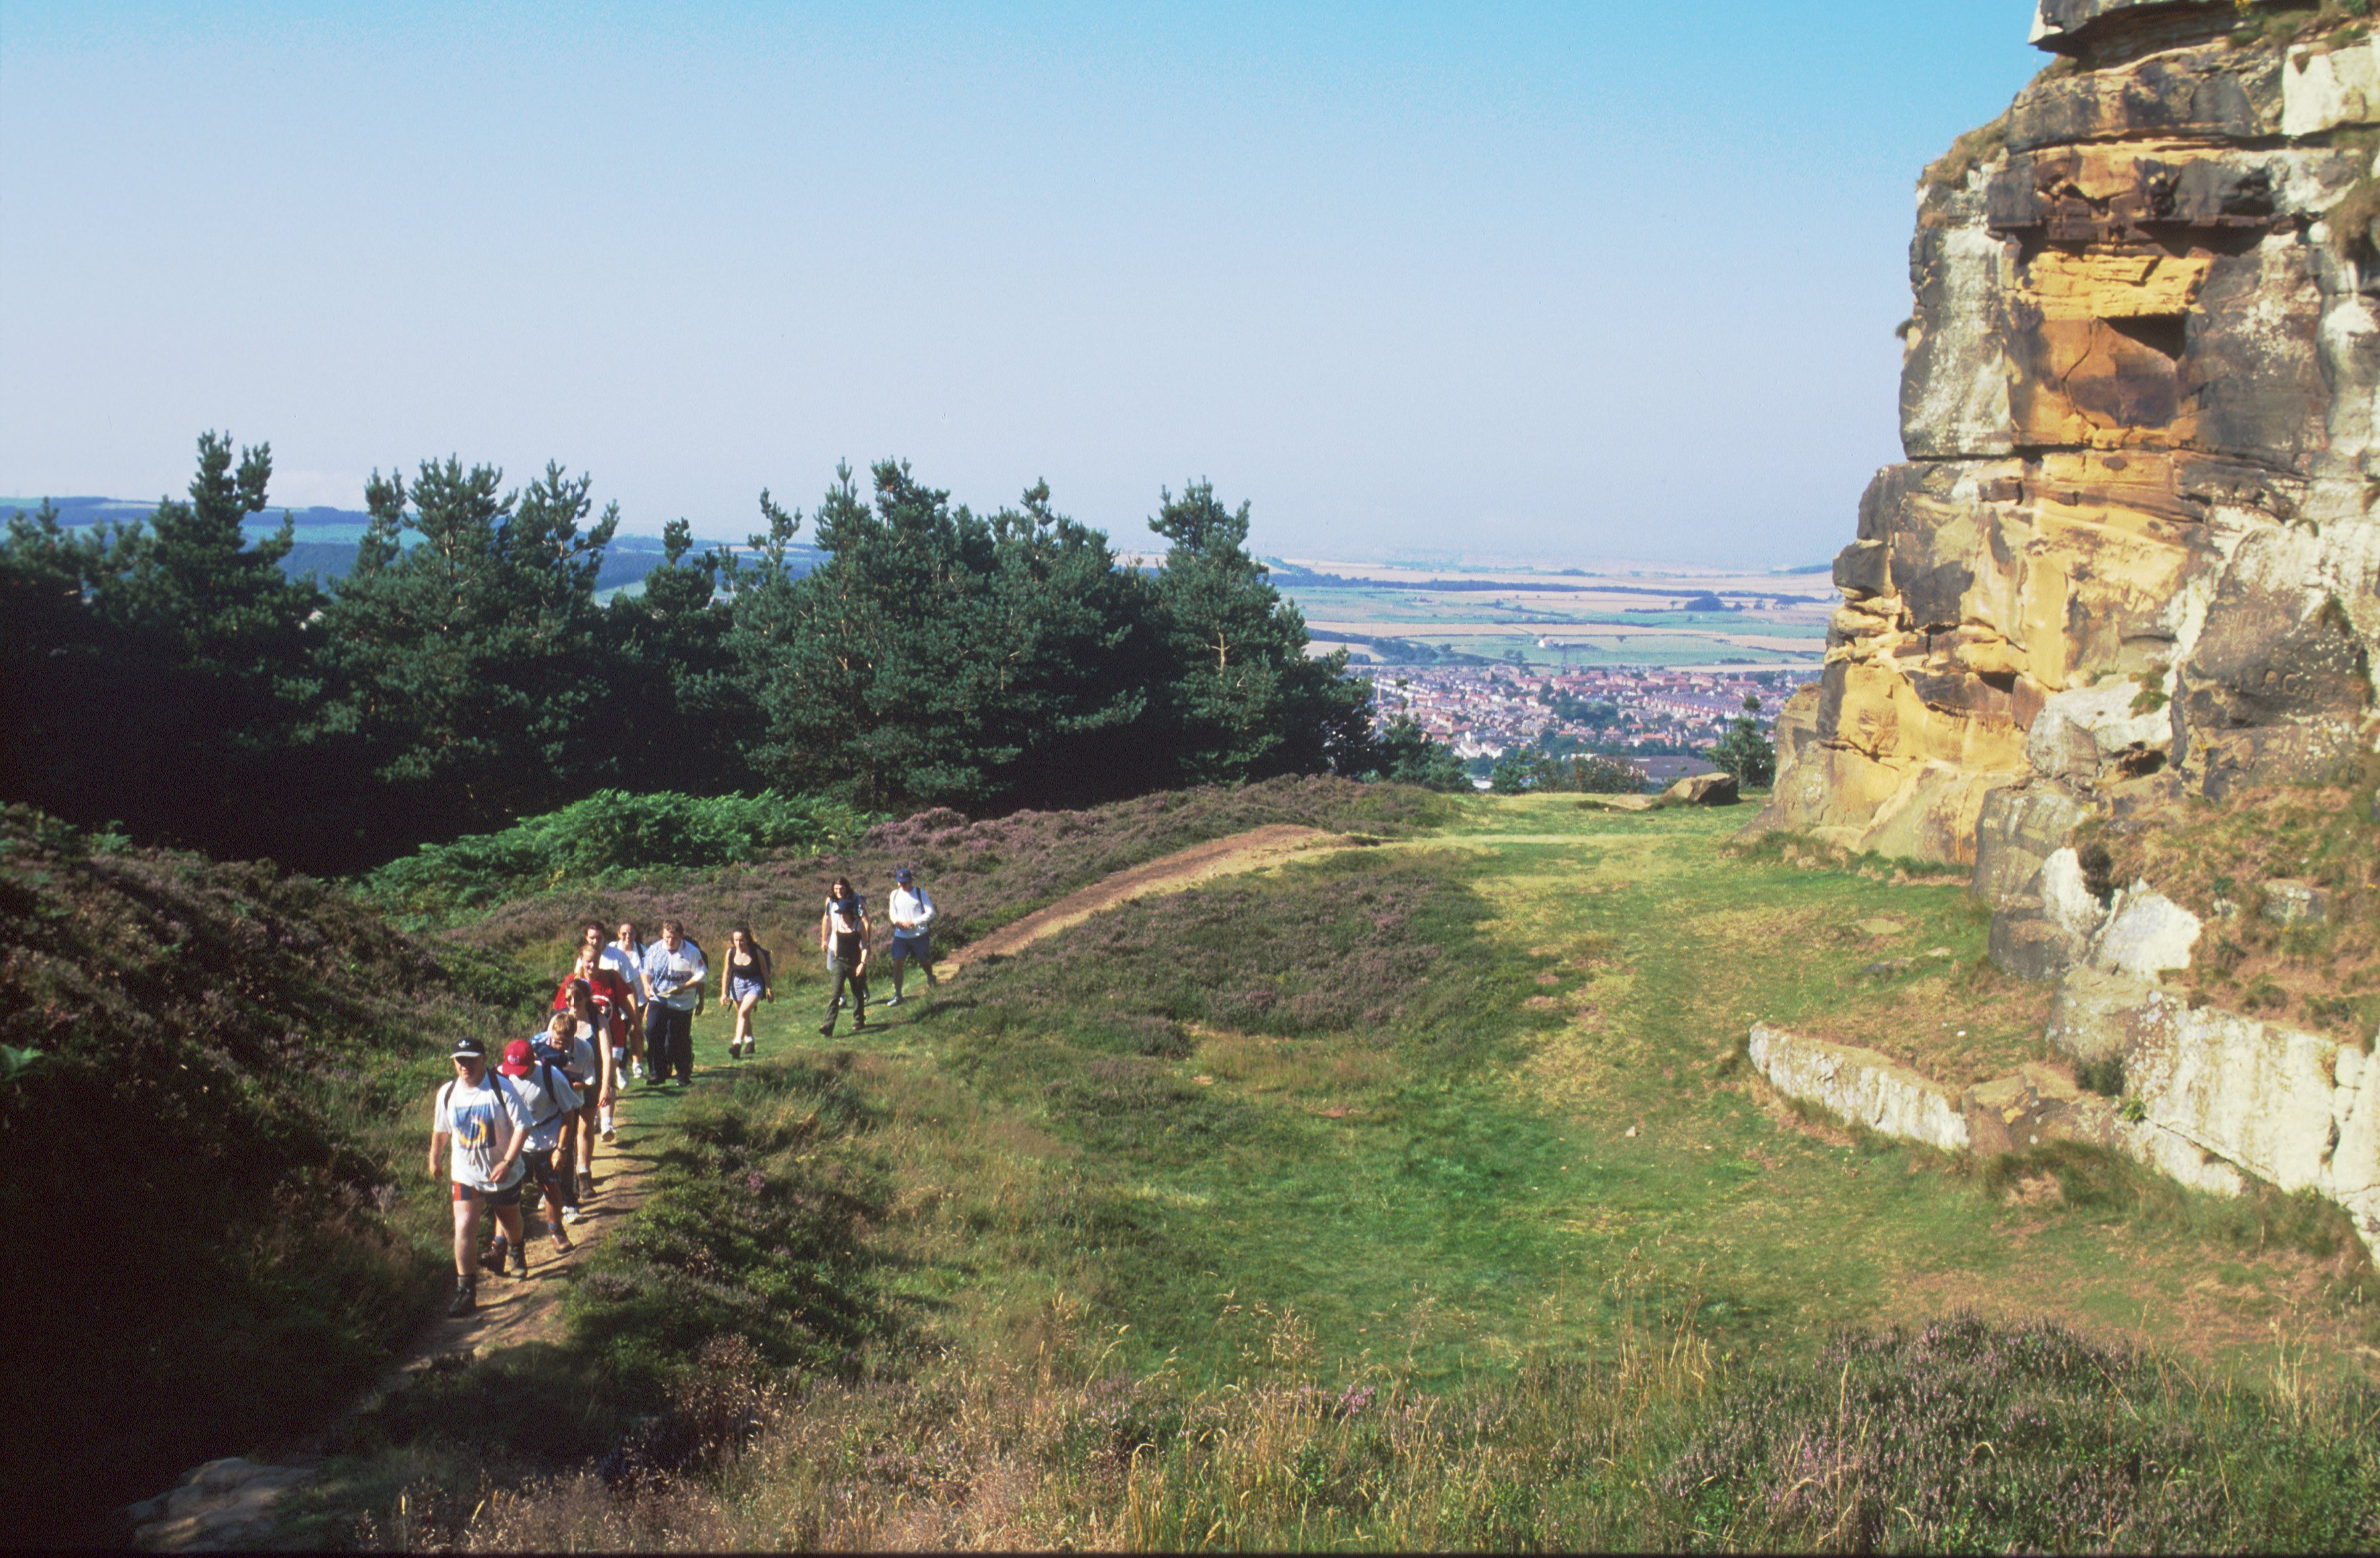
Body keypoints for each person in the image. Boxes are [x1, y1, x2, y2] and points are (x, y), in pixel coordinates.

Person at [428, 1034, 535, 1317]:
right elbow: (441, 1130)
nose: (465, 1066)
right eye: (459, 1061)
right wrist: (434, 1157)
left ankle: (516, 1248)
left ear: (484, 1060)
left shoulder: (502, 1088)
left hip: (503, 1172)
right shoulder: (448, 1093)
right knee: (464, 1226)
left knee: (510, 1220)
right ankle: (466, 1292)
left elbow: (523, 1126)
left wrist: (509, 1162)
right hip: (466, 1173)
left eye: (471, 1061)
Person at [498, 1037, 581, 1254]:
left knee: (550, 1185)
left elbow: (568, 1115)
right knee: (508, 1190)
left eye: (522, 1068)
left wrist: (562, 1149)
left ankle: (556, 1231)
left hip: (548, 1139)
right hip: (520, 1141)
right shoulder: (504, 1075)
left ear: (532, 1061)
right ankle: (499, 1243)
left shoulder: (551, 1077)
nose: (517, 1073)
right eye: (513, 1068)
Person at [555, 935, 630, 1144]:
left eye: (595, 961)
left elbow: (625, 998)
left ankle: (605, 1122)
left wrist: (635, 1024)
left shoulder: (610, 977)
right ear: (581, 960)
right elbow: (559, 1013)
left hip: (603, 1034)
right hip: (573, 1051)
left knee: (605, 1075)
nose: (591, 965)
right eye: (588, 961)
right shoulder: (570, 982)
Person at [639, 918, 707, 1085]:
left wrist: (684, 987)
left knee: (678, 1038)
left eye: (674, 938)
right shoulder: (655, 949)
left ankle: (683, 1074)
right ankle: (657, 1073)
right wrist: (647, 986)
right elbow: (645, 970)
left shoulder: (691, 952)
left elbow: (701, 975)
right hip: (659, 998)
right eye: (667, 937)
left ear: (681, 936)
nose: (670, 941)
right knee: (653, 1032)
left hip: (682, 1001)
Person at [818, 878, 869, 1036]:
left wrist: (862, 963)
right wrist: (826, 942)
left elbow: (866, 945)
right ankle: (828, 1026)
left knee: (857, 991)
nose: (840, 916)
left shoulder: (858, 920)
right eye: (836, 888)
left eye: (842, 914)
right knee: (835, 994)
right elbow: (829, 923)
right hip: (840, 960)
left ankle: (859, 1019)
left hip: (855, 961)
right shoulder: (837, 919)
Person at [884, 865, 939, 1006]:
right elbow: (892, 913)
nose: (902, 885)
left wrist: (914, 923)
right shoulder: (894, 895)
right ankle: (898, 994)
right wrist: (896, 922)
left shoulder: (921, 893)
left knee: (924, 960)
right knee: (898, 962)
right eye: (900, 882)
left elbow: (931, 912)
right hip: (901, 936)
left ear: (911, 881)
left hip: (919, 934)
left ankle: (930, 976)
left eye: (905, 882)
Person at [718, 924, 773, 1059]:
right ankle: (750, 1041)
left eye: (741, 940)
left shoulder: (756, 953)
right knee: (744, 1015)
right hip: (737, 985)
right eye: (736, 940)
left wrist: (770, 989)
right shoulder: (730, 953)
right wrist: (724, 993)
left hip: (755, 984)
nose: (739, 943)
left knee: (743, 1012)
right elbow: (727, 973)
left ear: (747, 939)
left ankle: (737, 1043)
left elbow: (765, 972)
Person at [611, 920, 649, 1080]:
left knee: (636, 1031)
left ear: (636, 934)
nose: (628, 936)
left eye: (631, 933)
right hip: (617, 1000)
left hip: (639, 998)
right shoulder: (612, 949)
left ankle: (638, 1065)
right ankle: (621, 1068)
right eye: (624, 933)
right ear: (619, 934)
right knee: (620, 1033)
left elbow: (648, 973)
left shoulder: (643, 951)